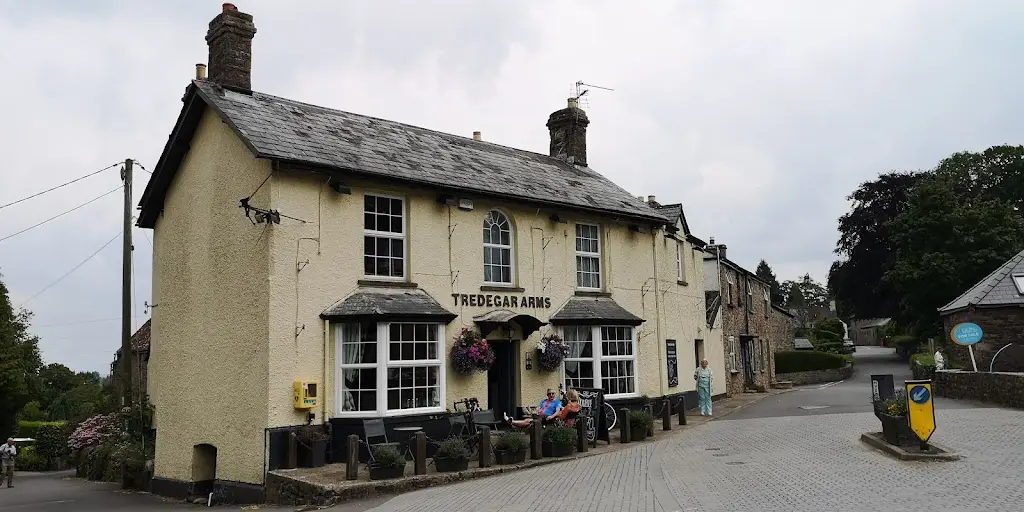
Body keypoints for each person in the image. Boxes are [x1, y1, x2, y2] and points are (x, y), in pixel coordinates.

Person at [505, 389, 582, 428]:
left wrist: (555, 414)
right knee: (530, 418)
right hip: (542, 415)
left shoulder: (559, 403)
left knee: (529, 421)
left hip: (550, 419)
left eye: (552, 393)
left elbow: (561, 416)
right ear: (547, 395)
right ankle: (527, 413)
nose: (551, 395)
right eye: (549, 394)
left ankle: (512, 422)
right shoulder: (577, 406)